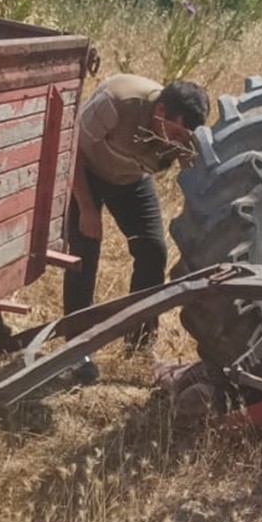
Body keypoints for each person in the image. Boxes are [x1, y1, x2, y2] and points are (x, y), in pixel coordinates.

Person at [63, 74, 210, 382]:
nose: (182, 143)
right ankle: (77, 350)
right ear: (159, 113)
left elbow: (200, 177)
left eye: (188, 138)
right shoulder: (117, 102)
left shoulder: (184, 133)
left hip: (131, 180)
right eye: (178, 134)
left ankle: (139, 342)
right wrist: (87, 208)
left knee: (153, 251)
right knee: (83, 253)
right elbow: (72, 148)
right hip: (86, 172)